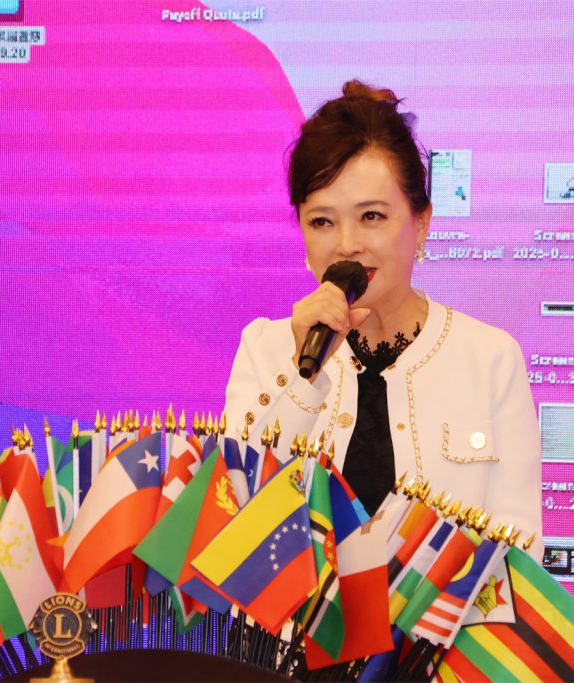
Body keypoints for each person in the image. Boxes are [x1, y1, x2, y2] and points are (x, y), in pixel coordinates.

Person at [224, 81, 542, 560]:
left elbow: (518, 554)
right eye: (322, 221)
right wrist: (301, 376)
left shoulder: (490, 358)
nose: (346, 244)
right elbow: (235, 521)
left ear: (421, 222)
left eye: (371, 216)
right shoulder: (265, 348)